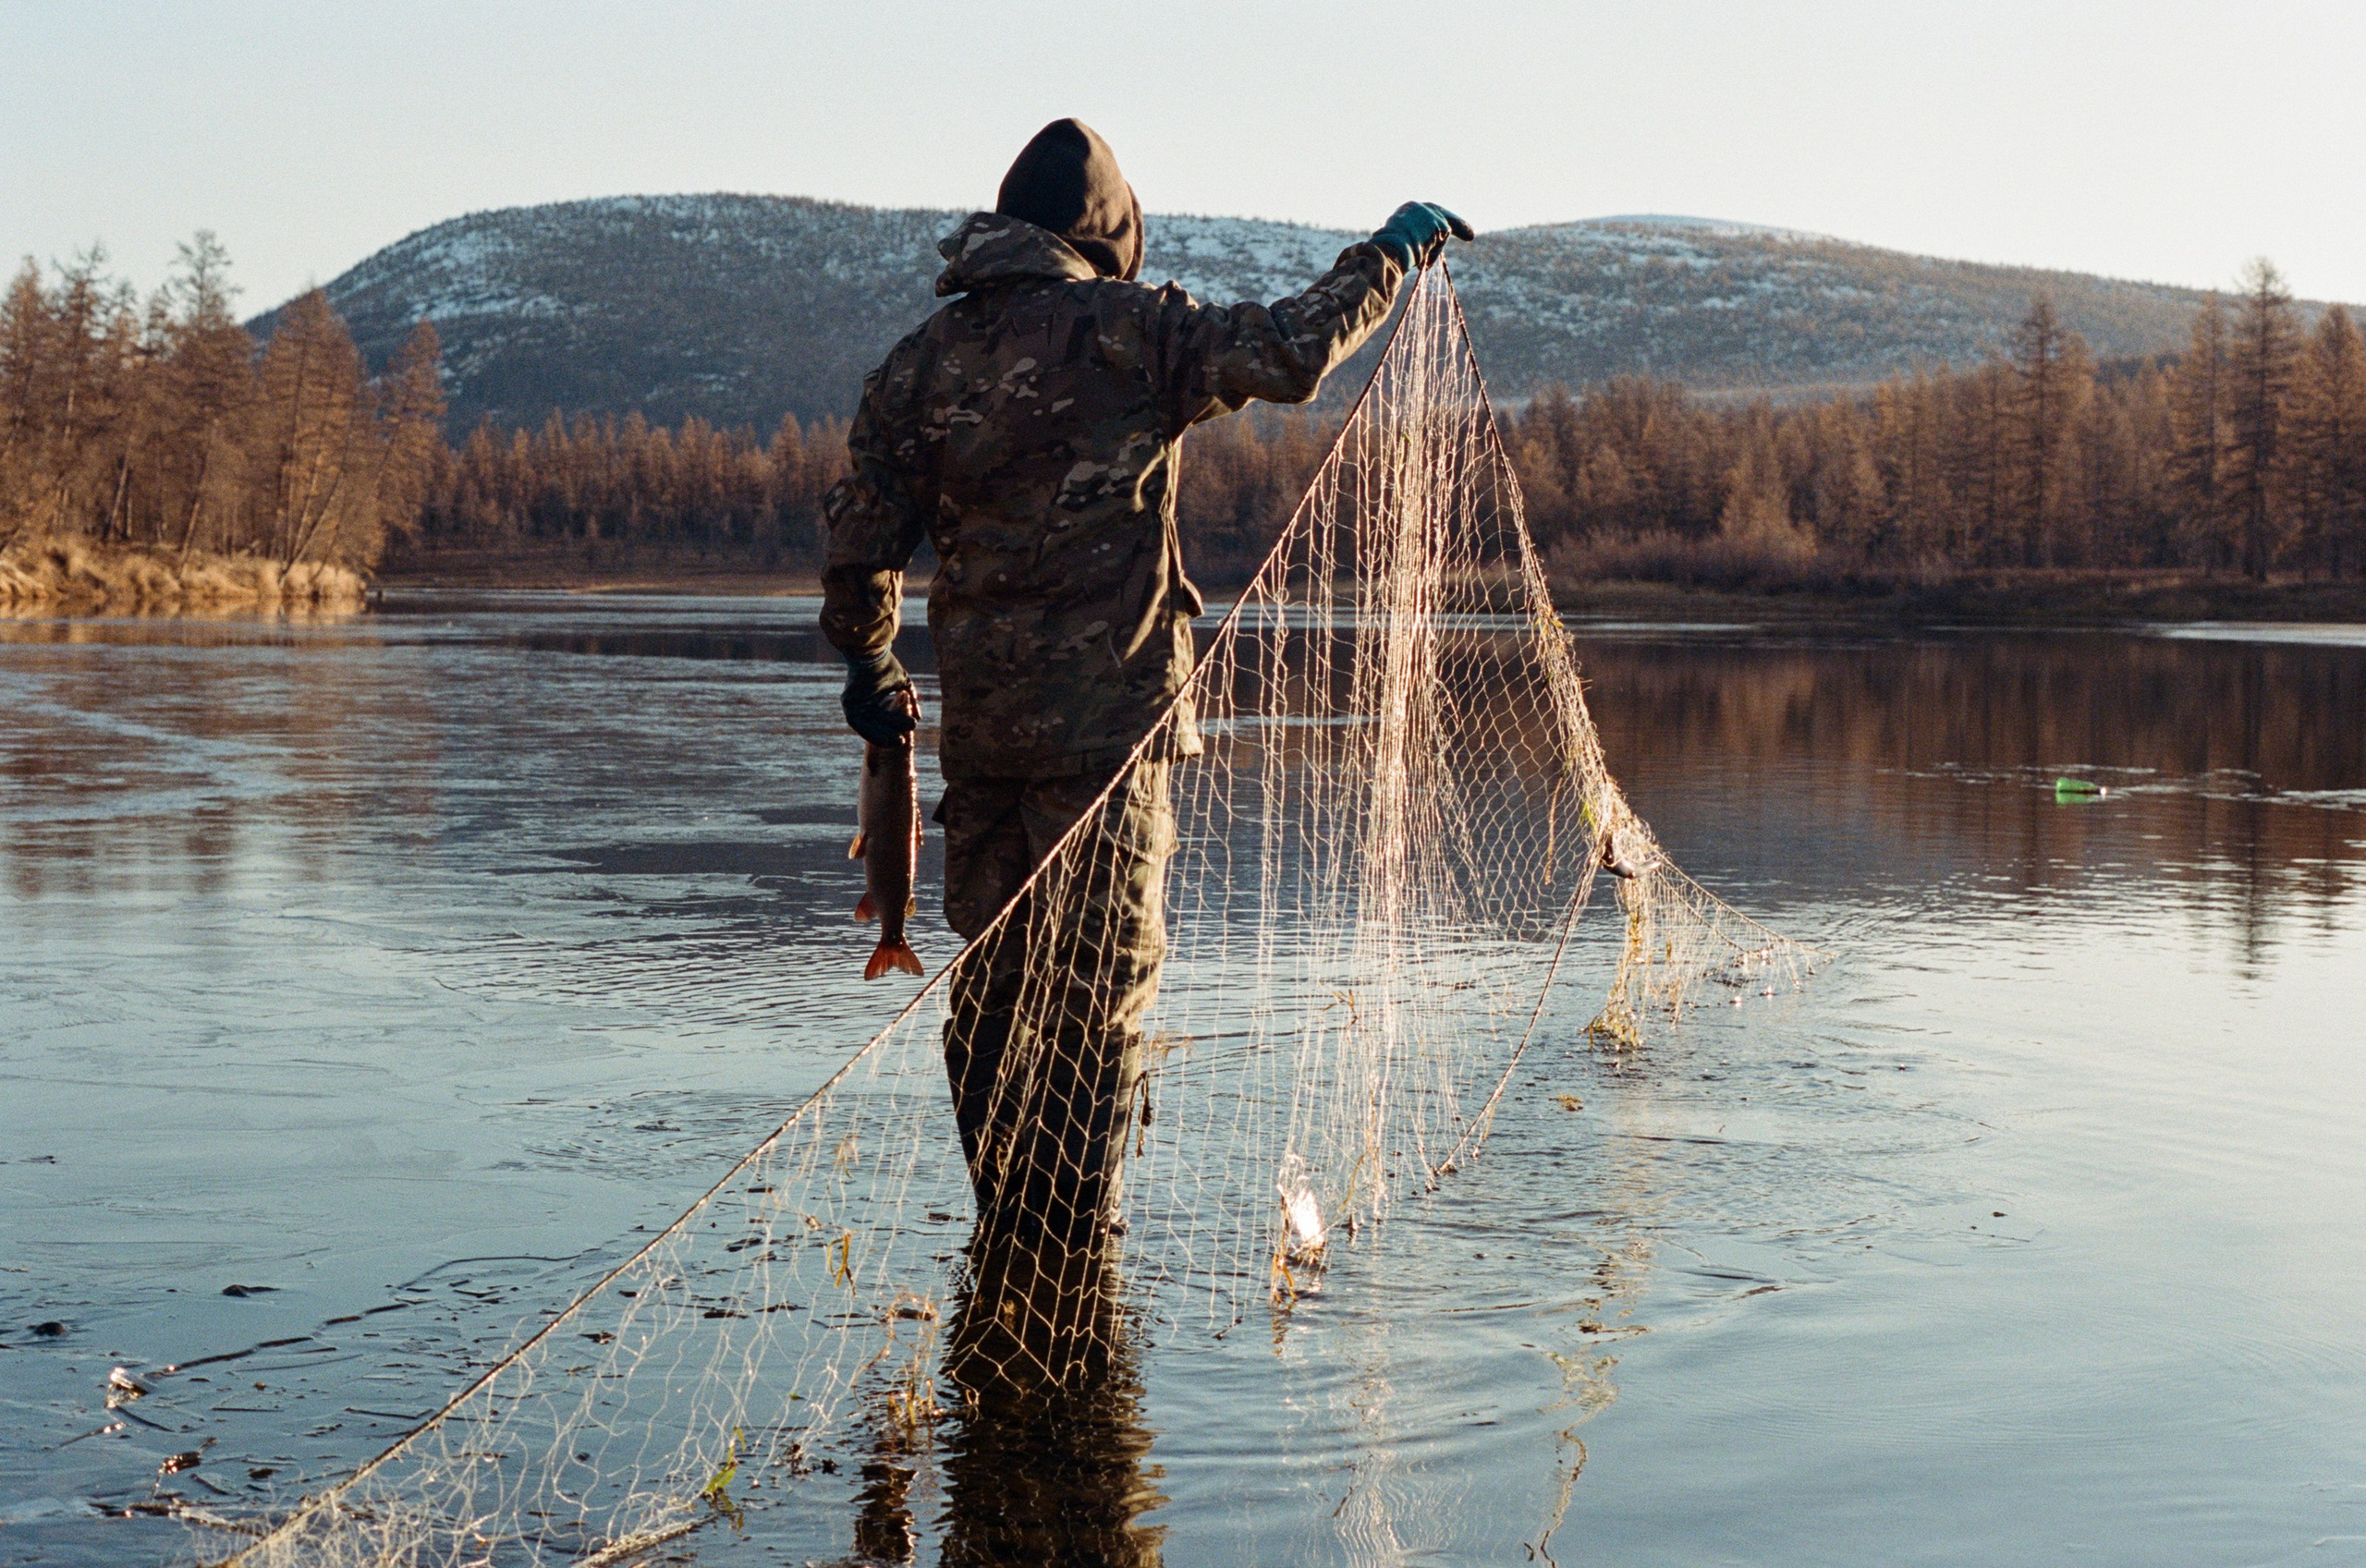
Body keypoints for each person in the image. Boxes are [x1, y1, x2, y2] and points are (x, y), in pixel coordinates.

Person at [821, 116, 1469, 1275]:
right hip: (1112, 746)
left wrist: (870, 663)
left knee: (993, 985)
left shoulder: (920, 362)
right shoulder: (1136, 330)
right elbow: (1291, 353)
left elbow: (859, 537)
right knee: (1098, 994)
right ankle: (1074, 1255)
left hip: (984, 745)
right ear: (1105, 234)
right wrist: (1390, 254)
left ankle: (1007, 1233)